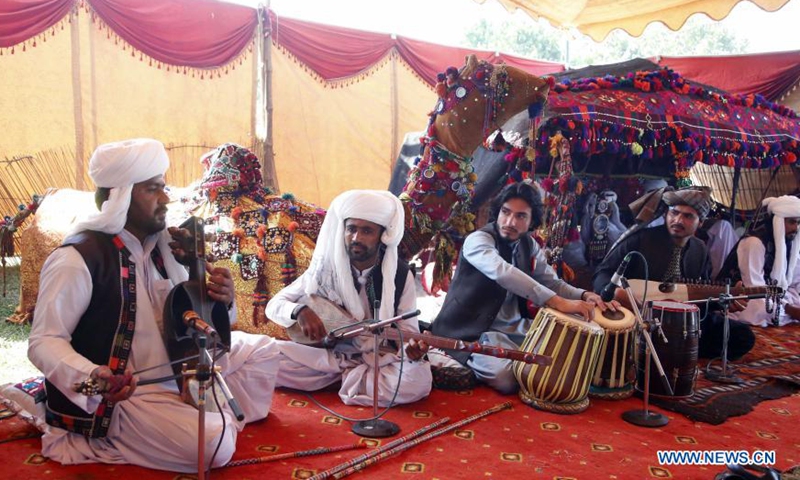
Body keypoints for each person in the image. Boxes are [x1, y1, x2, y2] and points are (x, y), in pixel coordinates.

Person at [28, 139, 281, 472]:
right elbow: (44, 341)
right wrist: (93, 376)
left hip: (180, 369)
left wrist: (222, 300)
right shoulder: (78, 260)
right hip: (130, 396)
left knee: (266, 352)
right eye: (152, 189)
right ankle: (114, 435)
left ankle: (200, 414)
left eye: (163, 187)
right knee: (214, 444)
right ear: (120, 196)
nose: (165, 199)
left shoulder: (166, 248)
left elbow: (193, 320)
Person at [429, 181, 618, 394]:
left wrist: (584, 295)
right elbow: (503, 272)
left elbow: (553, 282)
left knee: (563, 355)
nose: (510, 222)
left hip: (513, 329)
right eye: (506, 212)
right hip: (468, 331)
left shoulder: (529, 245)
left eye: (520, 216)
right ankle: (452, 358)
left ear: (532, 221)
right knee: (507, 378)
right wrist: (557, 302)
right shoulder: (478, 240)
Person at [265, 190, 432, 406]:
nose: (356, 238)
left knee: (417, 381)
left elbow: (408, 331)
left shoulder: (399, 275)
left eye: (367, 231)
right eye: (351, 229)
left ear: (382, 235)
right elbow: (273, 306)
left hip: (379, 357)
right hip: (330, 357)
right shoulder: (325, 269)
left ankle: (341, 380)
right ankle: (352, 380)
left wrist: (411, 351)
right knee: (266, 355)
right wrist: (299, 311)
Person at [592, 186, 756, 360]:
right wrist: (616, 292)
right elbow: (602, 274)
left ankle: (671, 349)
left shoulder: (700, 250)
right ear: (665, 215)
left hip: (682, 320)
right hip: (639, 318)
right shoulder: (640, 240)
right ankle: (670, 350)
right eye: (674, 213)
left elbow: (700, 297)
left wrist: (724, 302)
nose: (678, 220)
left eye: (688, 216)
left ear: (700, 222)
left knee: (742, 336)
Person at [718, 195, 800, 327]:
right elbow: (754, 286)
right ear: (777, 221)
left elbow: (794, 281)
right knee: (761, 308)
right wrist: (788, 308)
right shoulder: (754, 242)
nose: (796, 228)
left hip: (773, 295)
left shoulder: (788, 243)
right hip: (744, 295)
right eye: (792, 222)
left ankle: (781, 312)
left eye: (798, 223)